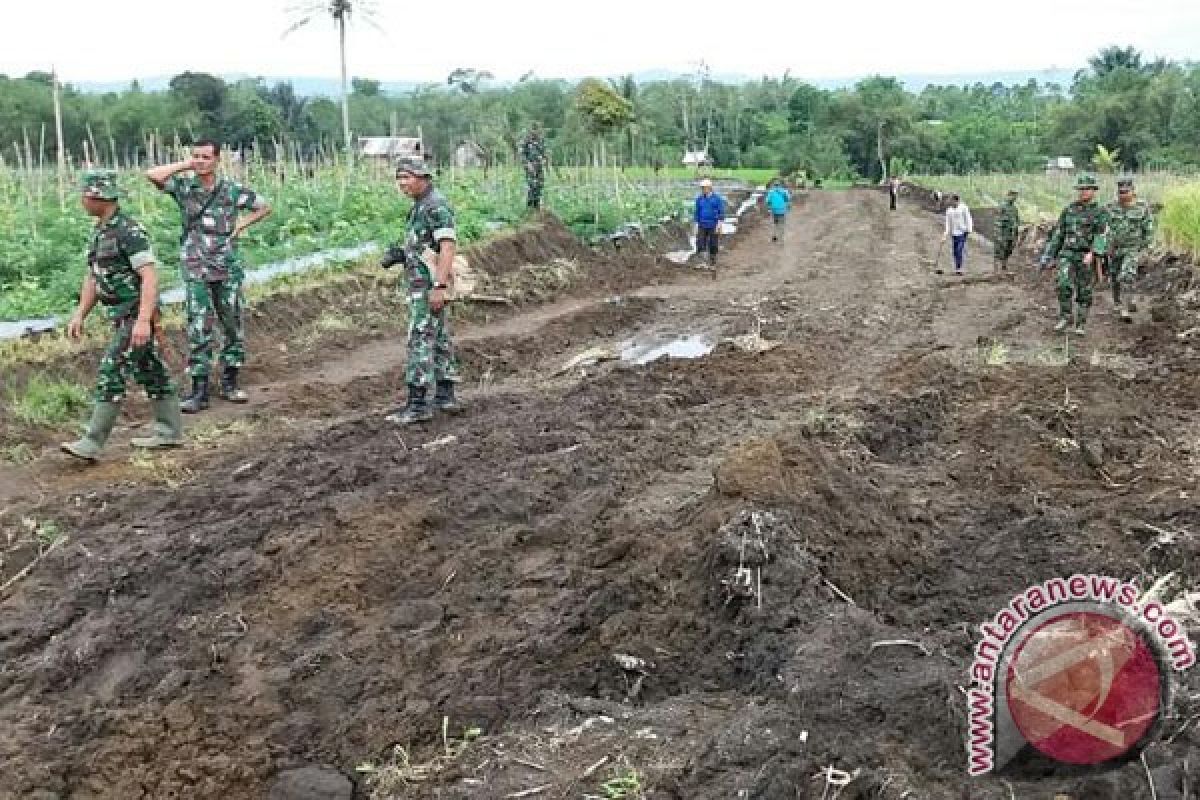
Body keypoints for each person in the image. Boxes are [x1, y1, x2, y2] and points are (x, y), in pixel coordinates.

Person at [61, 170, 184, 461]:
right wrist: (80, 314)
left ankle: (92, 441)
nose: (82, 200)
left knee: (111, 370)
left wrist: (143, 321)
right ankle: (169, 432)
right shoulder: (101, 231)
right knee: (150, 370)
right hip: (119, 315)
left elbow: (150, 278)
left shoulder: (129, 231)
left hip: (133, 315)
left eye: (85, 195)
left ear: (97, 197)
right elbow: (94, 276)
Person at [146, 139, 272, 413]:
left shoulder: (230, 191)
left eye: (205, 157)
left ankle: (230, 381)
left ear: (217, 160)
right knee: (199, 323)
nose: (200, 161)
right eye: (196, 156)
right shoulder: (184, 188)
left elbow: (263, 206)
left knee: (231, 321)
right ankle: (199, 389)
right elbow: (152, 176)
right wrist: (185, 165)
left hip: (226, 265)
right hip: (196, 265)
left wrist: (241, 225)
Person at [381, 157, 462, 424]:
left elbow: (448, 248)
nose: (402, 184)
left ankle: (417, 404)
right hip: (423, 281)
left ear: (423, 177)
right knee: (438, 337)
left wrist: (438, 286)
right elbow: (427, 246)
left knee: (419, 338)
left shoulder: (436, 207)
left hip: (428, 285)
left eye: (407, 177)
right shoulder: (421, 206)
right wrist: (403, 256)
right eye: (399, 178)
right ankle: (445, 395)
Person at [1040, 174, 1109, 335]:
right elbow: (1059, 234)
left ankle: (1081, 324)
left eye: (1086, 189)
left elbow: (1102, 235)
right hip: (1068, 253)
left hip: (1086, 255)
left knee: (1084, 291)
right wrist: (1048, 255)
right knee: (1062, 284)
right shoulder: (1069, 210)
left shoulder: (1100, 212)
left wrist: (1093, 253)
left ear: (1093, 191)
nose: (1083, 192)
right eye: (1080, 189)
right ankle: (1065, 316)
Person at [1105, 178, 1155, 323]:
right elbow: (1103, 228)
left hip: (1132, 248)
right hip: (1115, 249)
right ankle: (1118, 301)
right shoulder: (1110, 207)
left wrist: (1145, 247)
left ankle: (1124, 308)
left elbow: (1148, 228)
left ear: (1133, 192)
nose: (1123, 195)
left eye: (1126, 192)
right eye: (1120, 192)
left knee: (1127, 275)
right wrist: (1104, 246)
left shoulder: (1142, 207)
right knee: (1115, 277)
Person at [693, 179, 726, 268]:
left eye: (704, 188)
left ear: (709, 188)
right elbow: (697, 212)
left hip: (713, 224)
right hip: (702, 224)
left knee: (713, 244)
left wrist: (719, 225)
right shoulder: (699, 199)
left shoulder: (717, 199)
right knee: (700, 243)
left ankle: (712, 262)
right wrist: (696, 225)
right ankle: (703, 261)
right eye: (702, 188)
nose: (703, 189)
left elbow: (721, 212)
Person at [519, 122, 548, 210]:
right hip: (530, 166)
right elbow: (522, 154)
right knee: (532, 185)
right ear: (531, 130)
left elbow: (544, 153)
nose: (535, 131)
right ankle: (530, 206)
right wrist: (527, 164)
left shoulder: (541, 140)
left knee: (540, 185)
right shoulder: (526, 141)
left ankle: (537, 205)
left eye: (537, 129)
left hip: (539, 166)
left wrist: (544, 160)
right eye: (533, 129)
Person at [942, 194, 974, 275]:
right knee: (955, 251)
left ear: (957, 201)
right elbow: (947, 223)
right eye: (950, 201)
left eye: (952, 201)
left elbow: (968, 218)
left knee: (959, 249)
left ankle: (959, 268)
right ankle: (957, 267)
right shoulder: (949, 211)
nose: (951, 203)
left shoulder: (963, 208)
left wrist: (969, 229)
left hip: (963, 232)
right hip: (954, 233)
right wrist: (945, 234)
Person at [994, 189, 1021, 272]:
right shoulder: (1002, 207)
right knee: (1000, 249)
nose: (1014, 198)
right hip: (1003, 232)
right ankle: (997, 266)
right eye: (1013, 195)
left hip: (1011, 233)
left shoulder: (1014, 209)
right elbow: (997, 220)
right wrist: (998, 234)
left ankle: (1004, 264)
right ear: (1008, 196)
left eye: (1016, 196)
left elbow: (1017, 220)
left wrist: (1016, 231)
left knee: (1009, 249)